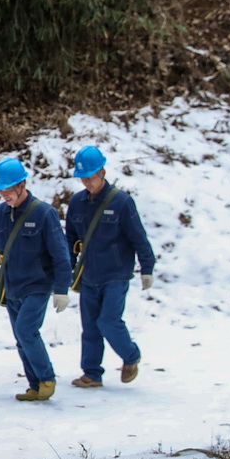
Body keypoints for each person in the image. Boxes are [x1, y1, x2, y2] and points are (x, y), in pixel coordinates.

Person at [0, 158, 72, 402]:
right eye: (1, 191)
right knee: (21, 338)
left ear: (22, 185)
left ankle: (47, 378)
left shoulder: (44, 213)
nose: (4, 195)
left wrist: (62, 289)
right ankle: (35, 385)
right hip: (12, 287)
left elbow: (60, 254)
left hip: (38, 285)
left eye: (8, 190)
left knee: (26, 330)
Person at [65, 146, 155, 388]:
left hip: (116, 274)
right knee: (90, 327)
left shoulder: (121, 202)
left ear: (102, 172)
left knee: (108, 321)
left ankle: (131, 356)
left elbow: (138, 237)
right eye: (83, 178)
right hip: (89, 275)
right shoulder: (77, 203)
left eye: (90, 177)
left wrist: (147, 267)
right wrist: (66, 269)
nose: (87, 182)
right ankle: (92, 373)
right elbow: (70, 240)